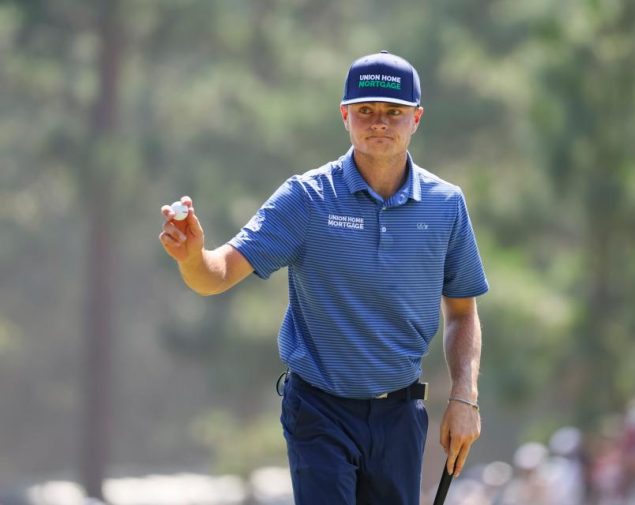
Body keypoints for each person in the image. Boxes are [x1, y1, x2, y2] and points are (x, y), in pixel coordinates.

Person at [159, 50, 489, 505]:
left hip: (400, 413)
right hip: (320, 409)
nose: (379, 122)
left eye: (393, 112)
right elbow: (216, 275)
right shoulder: (307, 198)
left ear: (417, 118)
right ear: (344, 116)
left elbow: (462, 312)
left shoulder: (446, 205)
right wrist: (192, 257)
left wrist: (464, 397)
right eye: (366, 111)